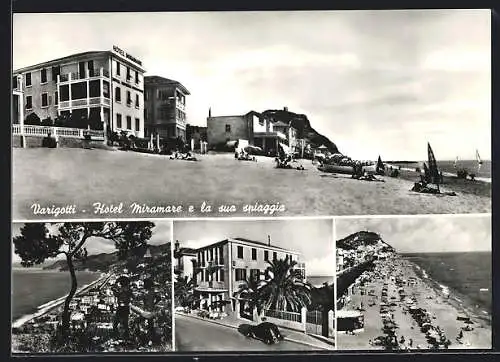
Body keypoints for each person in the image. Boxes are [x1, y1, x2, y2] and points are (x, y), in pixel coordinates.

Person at [112, 275, 133, 340]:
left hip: (120, 308)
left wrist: (114, 287)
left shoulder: (120, 290)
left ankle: (117, 336)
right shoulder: (129, 290)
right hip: (126, 308)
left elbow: (116, 294)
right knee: (125, 324)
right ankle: (126, 337)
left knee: (115, 324)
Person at [143, 278, 161, 343]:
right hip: (147, 309)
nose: (144, 285)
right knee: (148, 324)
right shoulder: (148, 291)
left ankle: (151, 339)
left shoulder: (151, 291)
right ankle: (149, 338)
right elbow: (159, 298)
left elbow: (159, 298)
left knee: (149, 324)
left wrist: (153, 303)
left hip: (149, 310)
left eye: (145, 283)